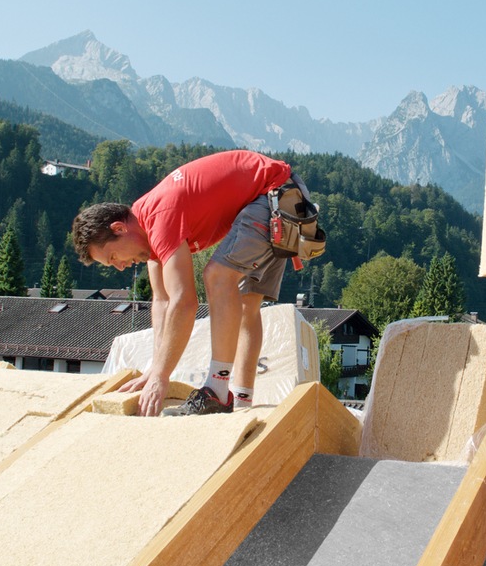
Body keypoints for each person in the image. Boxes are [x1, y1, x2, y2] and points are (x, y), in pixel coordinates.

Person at [71, 149, 310, 417]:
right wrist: (155, 368)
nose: (119, 265)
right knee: (245, 305)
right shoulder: (147, 230)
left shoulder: (160, 218)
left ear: (119, 228)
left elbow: (184, 301)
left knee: (218, 276)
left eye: (113, 256)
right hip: (283, 193)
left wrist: (161, 377)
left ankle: (217, 391)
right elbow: (162, 302)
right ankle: (243, 403)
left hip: (275, 196)